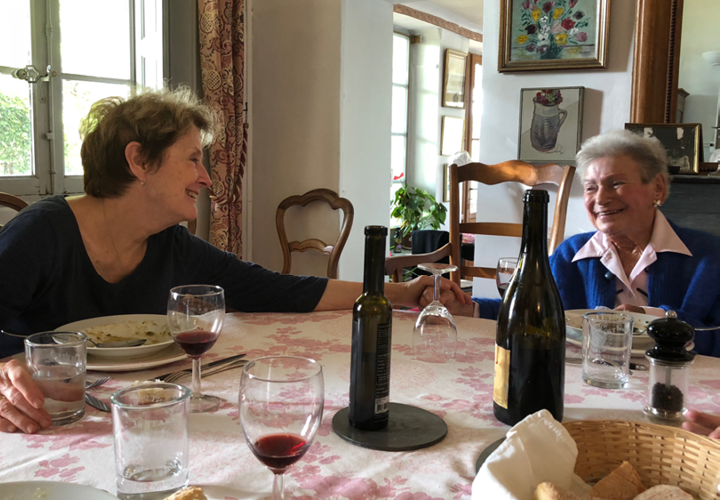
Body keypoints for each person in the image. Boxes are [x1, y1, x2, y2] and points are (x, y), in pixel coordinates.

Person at [0, 88, 471, 434]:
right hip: (46, 426)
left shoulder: (170, 244)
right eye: (192, 160)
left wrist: (402, 292)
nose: (206, 178)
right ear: (139, 161)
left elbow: (277, 289)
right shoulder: (43, 234)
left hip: (142, 419)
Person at [427, 130, 720, 357]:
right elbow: (530, 312)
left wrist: (649, 318)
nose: (601, 198)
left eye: (616, 183)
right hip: (586, 385)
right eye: (591, 187)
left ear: (657, 188)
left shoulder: (709, 257)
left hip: (679, 390)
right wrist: (467, 308)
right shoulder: (571, 254)